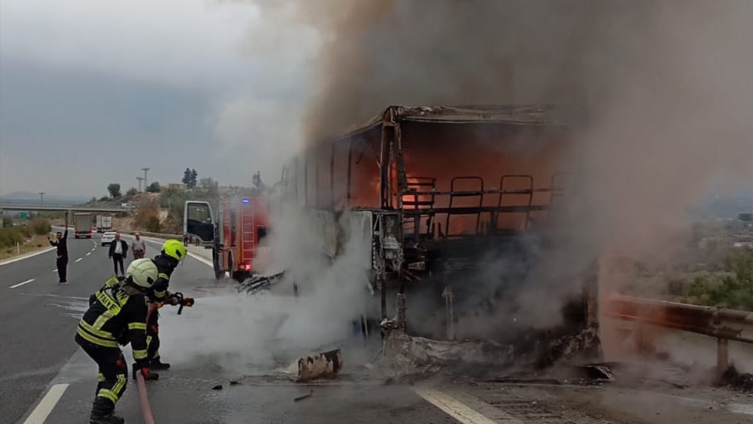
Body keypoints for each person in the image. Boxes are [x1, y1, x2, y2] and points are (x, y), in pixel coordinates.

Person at [75, 259, 158, 424]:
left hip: (84, 331)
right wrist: (143, 364)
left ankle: (103, 403)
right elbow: (137, 336)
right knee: (118, 376)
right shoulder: (137, 302)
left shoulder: (115, 281)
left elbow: (93, 299)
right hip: (100, 339)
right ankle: (100, 414)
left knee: (107, 371)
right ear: (147, 281)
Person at [146, 239, 187, 370]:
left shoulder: (160, 261)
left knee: (153, 332)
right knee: (150, 333)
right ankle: (145, 362)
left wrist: (169, 296)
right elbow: (159, 287)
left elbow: (158, 287)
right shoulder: (165, 267)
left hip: (147, 302)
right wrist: (165, 299)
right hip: (146, 305)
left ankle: (155, 359)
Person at [48, 220, 69, 284]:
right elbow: (53, 244)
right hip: (59, 257)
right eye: (58, 235)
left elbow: (66, 235)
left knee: (63, 268)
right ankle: (60, 279)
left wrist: (66, 229)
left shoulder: (63, 240)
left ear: (61, 235)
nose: (58, 236)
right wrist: (50, 240)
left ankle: (64, 279)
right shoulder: (57, 241)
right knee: (59, 268)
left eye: (60, 235)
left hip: (64, 257)